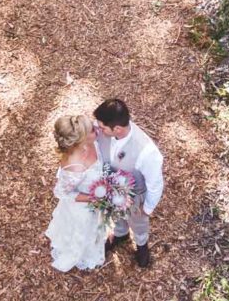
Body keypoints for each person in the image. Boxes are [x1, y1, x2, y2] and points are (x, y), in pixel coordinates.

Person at [93, 99, 164, 268]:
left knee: (138, 223)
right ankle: (120, 234)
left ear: (116, 128)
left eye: (102, 127)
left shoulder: (147, 152)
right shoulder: (108, 131)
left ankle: (141, 245)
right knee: (115, 215)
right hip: (111, 189)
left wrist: (147, 209)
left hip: (135, 197)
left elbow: (155, 184)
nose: (99, 130)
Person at [44, 114, 107, 272]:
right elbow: (62, 193)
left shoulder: (91, 140)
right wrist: (93, 198)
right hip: (83, 206)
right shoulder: (74, 166)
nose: (97, 128)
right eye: (92, 130)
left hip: (98, 195)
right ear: (81, 140)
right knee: (84, 234)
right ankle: (81, 255)